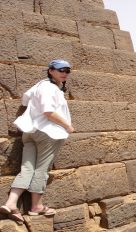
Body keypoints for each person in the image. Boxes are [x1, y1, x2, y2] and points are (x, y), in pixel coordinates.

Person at [0, 60, 74, 224]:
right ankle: (36, 207)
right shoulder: (49, 88)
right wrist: (67, 126)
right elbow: (48, 112)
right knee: (42, 169)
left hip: (30, 132)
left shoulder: (40, 86)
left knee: (27, 168)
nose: (65, 73)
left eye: (68, 70)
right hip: (47, 133)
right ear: (51, 71)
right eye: (61, 70)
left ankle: (11, 203)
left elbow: (25, 100)